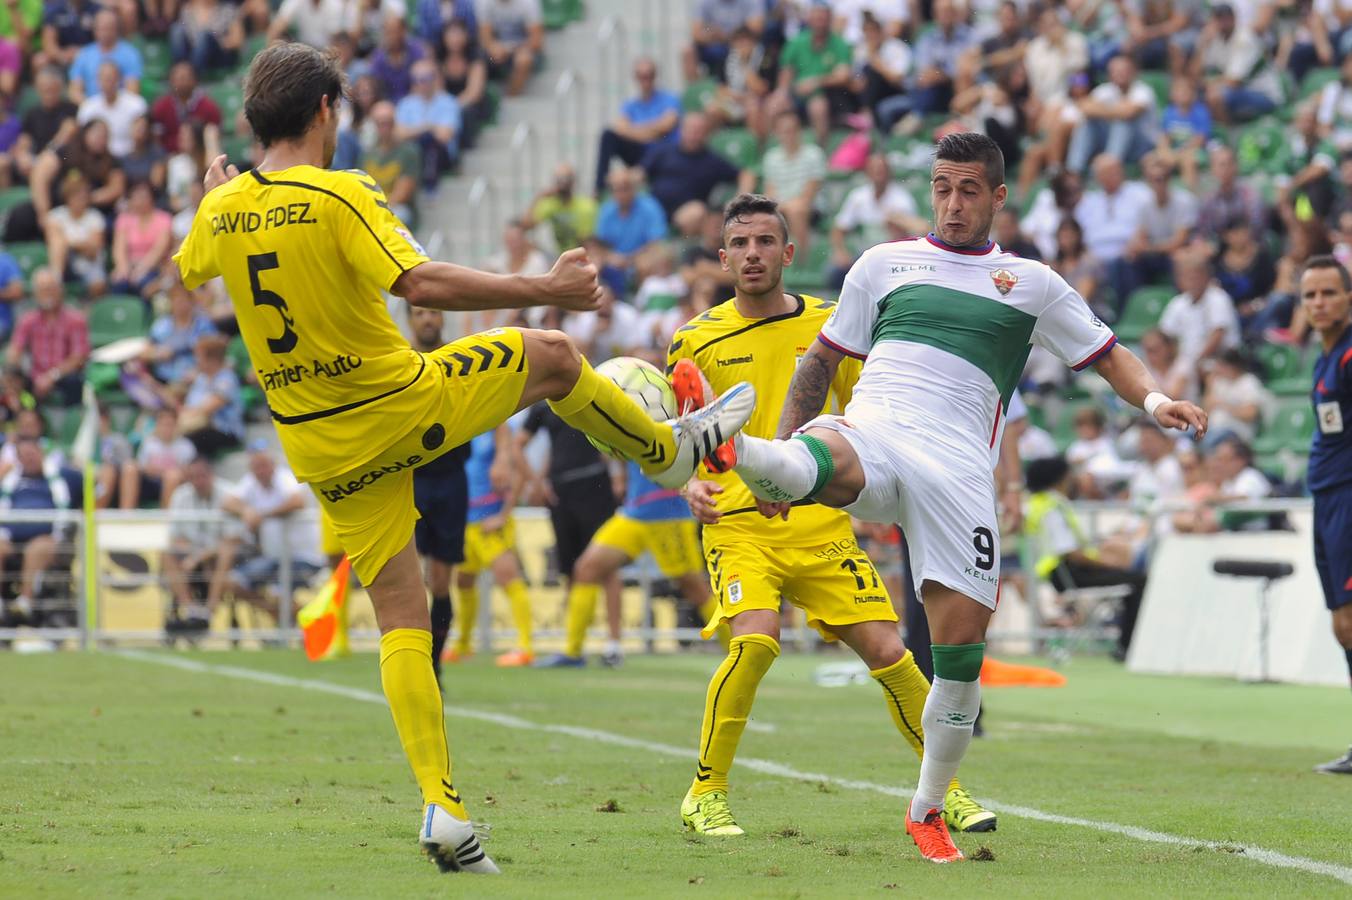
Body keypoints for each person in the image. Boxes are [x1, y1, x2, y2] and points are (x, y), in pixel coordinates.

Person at [172, 41, 753, 876]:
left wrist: (217, 195)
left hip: (316, 442)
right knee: (552, 353)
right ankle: (663, 451)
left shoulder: (221, 213)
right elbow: (419, 284)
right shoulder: (338, 192)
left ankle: (442, 808)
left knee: (402, 614)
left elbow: (191, 270)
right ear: (326, 111)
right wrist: (545, 287)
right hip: (396, 404)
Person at [723, 133, 1206, 862]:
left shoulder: (1033, 283)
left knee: (959, 661)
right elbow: (819, 363)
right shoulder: (883, 265)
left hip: (956, 475)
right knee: (827, 454)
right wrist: (789, 440)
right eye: (942, 187)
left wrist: (1157, 399)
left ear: (998, 196)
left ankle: (925, 810)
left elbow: (1108, 356)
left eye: (969, 189)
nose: (953, 203)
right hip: (878, 431)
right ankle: (743, 453)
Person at [667, 192, 996, 841]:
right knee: (756, 640)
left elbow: (873, 412)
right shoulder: (694, 339)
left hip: (818, 522)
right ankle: (705, 793)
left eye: (766, 242)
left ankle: (944, 791)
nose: (753, 254)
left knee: (890, 652)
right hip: (738, 522)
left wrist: (881, 489)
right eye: (740, 244)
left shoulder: (830, 328)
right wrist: (687, 490)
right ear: (722, 256)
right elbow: (673, 436)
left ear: (789, 252)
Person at [537, 461, 710, 669]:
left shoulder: (676, 427)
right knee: (586, 569)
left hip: (669, 514)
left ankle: (736, 650)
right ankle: (573, 652)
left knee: (696, 590)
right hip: (634, 513)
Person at [1299, 255, 1352, 775]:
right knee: (1343, 625)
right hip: (1328, 499)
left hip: (1349, 500)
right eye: (1310, 295)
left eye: (1329, 293)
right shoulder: (1326, 357)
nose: (1319, 303)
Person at [1023, 455, 1146, 660]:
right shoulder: (1053, 507)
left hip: (1057, 572)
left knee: (1129, 578)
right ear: (1060, 479)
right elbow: (1070, 551)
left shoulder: (1035, 504)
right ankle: (1126, 648)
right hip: (1068, 572)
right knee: (1137, 581)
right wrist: (1106, 563)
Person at [406, 306, 471, 680]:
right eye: (419, 313)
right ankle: (411, 665)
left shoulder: (458, 360)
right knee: (410, 579)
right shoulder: (401, 362)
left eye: (432, 312)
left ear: (442, 318)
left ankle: (434, 666)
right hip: (412, 478)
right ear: (411, 320)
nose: (427, 319)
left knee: (442, 582)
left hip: (451, 479)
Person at [446, 426, 534, 666]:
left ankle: (525, 647)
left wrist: (504, 515)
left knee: (508, 578)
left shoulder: (501, 431)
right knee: (463, 580)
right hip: (467, 521)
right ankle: (463, 644)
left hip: (490, 521)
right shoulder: (468, 424)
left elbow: (522, 473)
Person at [0, 437, 81, 624]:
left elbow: (95, 488)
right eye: (25, 455)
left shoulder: (63, 477)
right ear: (18, 459)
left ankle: (25, 603)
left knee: (35, 548)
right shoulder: (10, 480)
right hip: (11, 538)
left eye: (33, 453)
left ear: (41, 453)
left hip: (47, 537)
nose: (30, 458)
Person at [829, 151, 925, 287]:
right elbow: (839, 228)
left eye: (881, 170)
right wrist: (840, 252)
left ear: (889, 173)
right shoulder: (858, 197)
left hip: (891, 256)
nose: (878, 174)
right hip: (863, 254)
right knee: (835, 272)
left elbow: (919, 230)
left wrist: (899, 220)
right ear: (867, 173)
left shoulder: (901, 199)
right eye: (874, 170)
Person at [162, 454, 235, 631]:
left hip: (219, 559)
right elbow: (175, 537)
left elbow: (231, 539)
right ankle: (191, 610)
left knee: (225, 553)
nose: (198, 481)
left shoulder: (230, 494)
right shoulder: (181, 495)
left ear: (211, 474)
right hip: (192, 556)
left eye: (202, 475)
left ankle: (210, 610)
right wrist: (194, 556)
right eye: (193, 476)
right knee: (166, 553)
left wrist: (198, 557)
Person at [593, 57, 680, 194]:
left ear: (655, 76)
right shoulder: (630, 104)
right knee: (608, 136)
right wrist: (651, 132)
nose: (645, 80)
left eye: (649, 75)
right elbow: (619, 128)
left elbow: (666, 126)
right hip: (640, 152)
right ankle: (599, 188)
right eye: (641, 76)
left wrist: (634, 130)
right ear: (636, 78)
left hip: (662, 154)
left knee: (661, 143)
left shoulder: (670, 98)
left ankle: (637, 176)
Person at [6, 267, 88, 406]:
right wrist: (14, 363)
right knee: (13, 379)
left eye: (50, 289)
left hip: (63, 375)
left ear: (61, 290)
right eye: (42, 290)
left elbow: (78, 358)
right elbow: (15, 348)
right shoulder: (28, 320)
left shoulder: (75, 320)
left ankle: (71, 420)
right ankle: (25, 413)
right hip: (35, 376)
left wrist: (52, 376)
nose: (47, 294)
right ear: (35, 293)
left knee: (74, 381)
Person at [1066, 55, 1157, 175]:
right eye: (1115, 71)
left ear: (1132, 72)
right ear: (1109, 74)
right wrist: (1116, 111)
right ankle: (1073, 170)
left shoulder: (1143, 91)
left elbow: (1129, 113)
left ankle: (1107, 169)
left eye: (1123, 71)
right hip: (1112, 141)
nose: (1119, 74)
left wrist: (1103, 110)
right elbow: (1085, 108)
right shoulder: (1104, 90)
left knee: (1123, 123)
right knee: (1088, 123)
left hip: (1142, 146)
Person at [639, 111, 740, 219]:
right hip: (653, 208)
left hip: (683, 214)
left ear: (707, 134)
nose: (693, 134)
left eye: (699, 131)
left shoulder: (712, 161)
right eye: (690, 129)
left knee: (697, 210)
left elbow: (743, 174)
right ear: (681, 130)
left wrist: (737, 202)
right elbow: (639, 173)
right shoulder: (663, 151)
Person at [758, 111, 824, 255]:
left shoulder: (814, 154)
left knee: (797, 210)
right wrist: (782, 206)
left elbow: (809, 193)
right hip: (782, 206)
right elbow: (770, 191)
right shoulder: (771, 158)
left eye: (793, 130)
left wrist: (786, 206)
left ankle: (801, 261)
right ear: (777, 133)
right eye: (785, 131)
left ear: (799, 131)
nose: (789, 135)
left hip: (810, 207)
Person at [395, 59, 461, 189]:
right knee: (417, 144)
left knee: (429, 142)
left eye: (426, 78)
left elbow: (445, 136)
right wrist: (429, 127)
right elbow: (398, 135)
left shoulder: (449, 102)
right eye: (417, 79)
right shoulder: (405, 104)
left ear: (435, 78)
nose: (422, 83)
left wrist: (415, 131)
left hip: (442, 155)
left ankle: (429, 186)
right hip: (413, 153)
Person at [119, 406, 196, 509]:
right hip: (149, 484)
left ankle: (167, 518)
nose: (166, 428)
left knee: (172, 476)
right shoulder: (149, 443)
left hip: (174, 485)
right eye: (163, 424)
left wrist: (164, 472)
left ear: (176, 425)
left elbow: (189, 473)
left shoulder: (186, 446)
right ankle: (126, 513)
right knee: (129, 467)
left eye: (170, 424)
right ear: (157, 426)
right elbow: (142, 465)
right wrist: (151, 470)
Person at [110, 180, 173, 298]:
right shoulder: (124, 219)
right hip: (129, 265)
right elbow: (118, 248)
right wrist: (123, 268)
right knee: (119, 283)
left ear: (152, 198)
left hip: (155, 267)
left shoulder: (163, 219)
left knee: (144, 284)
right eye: (136, 197)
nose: (140, 200)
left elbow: (159, 250)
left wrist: (140, 270)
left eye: (144, 197)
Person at [361, 100, 420, 225]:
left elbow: (403, 193)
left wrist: (378, 211)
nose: (384, 127)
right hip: (371, 207)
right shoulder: (366, 153)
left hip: (398, 207)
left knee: (398, 215)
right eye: (380, 123)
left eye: (388, 123)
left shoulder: (408, 152)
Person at [68, 9, 142, 103]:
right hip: (91, 109)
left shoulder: (130, 54)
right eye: (102, 28)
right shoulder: (84, 54)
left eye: (109, 28)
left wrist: (113, 108)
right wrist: (93, 108)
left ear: (116, 29)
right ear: (95, 30)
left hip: (121, 108)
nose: (106, 33)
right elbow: (74, 91)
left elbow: (133, 90)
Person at [150, 61, 222, 154]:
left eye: (186, 78)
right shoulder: (161, 106)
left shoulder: (209, 107)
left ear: (195, 80)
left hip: (201, 157)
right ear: (171, 80)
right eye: (178, 78)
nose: (182, 82)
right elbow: (156, 139)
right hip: (169, 157)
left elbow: (215, 136)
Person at [682, 0, 762, 83]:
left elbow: (755, 29)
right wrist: (710, 33)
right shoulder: (704, 3)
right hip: (713, 45)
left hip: (741, 42)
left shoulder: (751, 2)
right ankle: (696, 89)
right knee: (687, 50)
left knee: (744, 45)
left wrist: (725, 36)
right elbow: (696, 33)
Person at [475, 0, 542, 97]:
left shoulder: (529, 3)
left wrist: (509, 49)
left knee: (523, 60)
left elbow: (536, 41)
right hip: (495, 53)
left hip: (522, 50)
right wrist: (493, 47)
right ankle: (483, 98)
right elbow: (485, 38)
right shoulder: (484, 3)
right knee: (478, 59)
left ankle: (511, 99)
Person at [525, 162, 596, 251]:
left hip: (578, 254)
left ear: (573, 182)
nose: (563, 184)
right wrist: (539, 198)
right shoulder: (551, 204)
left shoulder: (586, 207)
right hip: (559, 255)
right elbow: (526, 226)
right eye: (559, 180)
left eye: (566, 179)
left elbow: (586, 242)